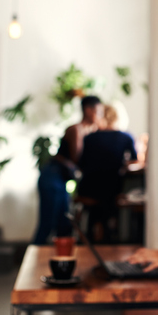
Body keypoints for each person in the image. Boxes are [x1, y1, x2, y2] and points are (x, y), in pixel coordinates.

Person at [32, 95, 104, 244]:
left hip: (61, 180)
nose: (101, 115)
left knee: (64, 226)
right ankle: (30, 262)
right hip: (52, 176)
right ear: (88, 110)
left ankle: (62, 263)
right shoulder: (76, 129)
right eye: (99, 110)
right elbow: (77, 157)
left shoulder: (92, 130)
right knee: (47, 224)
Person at [76, 104, 137, 242]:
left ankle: (92, 237)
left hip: (88, 189)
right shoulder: (126, 137)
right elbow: (134, 161)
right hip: (111, 189)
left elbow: (81, 164)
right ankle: (108, 237)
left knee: (95, 209)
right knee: (109, 204)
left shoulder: (89, 137)